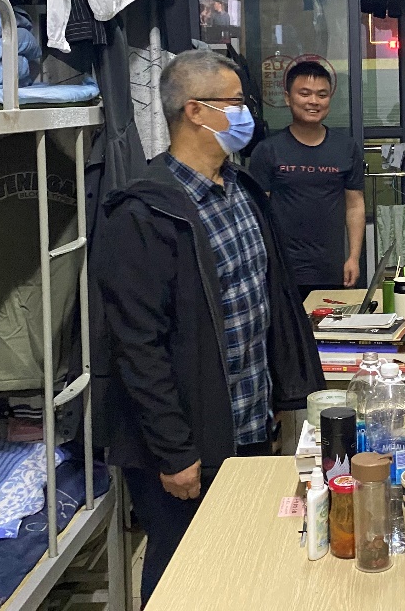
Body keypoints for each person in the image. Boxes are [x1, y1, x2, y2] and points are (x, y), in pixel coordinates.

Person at [94, 49, 325, 605]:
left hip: (247, 424)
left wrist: (279, 396)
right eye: (236, 103)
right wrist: (174, 452)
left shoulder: (241, 193)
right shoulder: (143, 212)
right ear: (196, 111)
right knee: (183, 573)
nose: (247, 115)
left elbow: (265, 305)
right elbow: (137, 346)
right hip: (183, 443)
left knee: (241, 560)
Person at [249, 60, 366, 300]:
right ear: (288, 98)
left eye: (322, 95)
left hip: (332, 269)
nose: (314, 101)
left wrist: (354, 257)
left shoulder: (346, 148)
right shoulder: (268, 150)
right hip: (281, 269)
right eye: (305, 94)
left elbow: (354, 206)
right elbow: (257, 213)